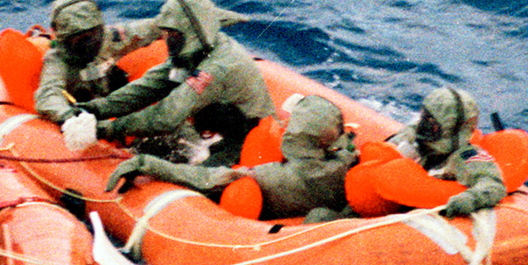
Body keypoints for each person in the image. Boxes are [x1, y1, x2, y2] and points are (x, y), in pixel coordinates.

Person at [108, 92, 357, 221]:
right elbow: (348, 149)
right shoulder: (344, 164)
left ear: (295, 135)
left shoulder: (272, 177)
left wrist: (145, 163)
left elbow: (207, 177)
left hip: (258, 219)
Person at [92, 0, 275, 163]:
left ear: (194, 32)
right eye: (167, 33)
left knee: (183, 174)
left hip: (244, 140)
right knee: (149, 146)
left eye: (175, 34)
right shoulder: (192, 52)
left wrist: (105, 129)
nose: (168, 40)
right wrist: (96, 109)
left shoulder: (217, 67)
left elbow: (167, 116)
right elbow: (149, 86)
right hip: (212, 130)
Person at [31, 0, 157, 134]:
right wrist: (68, 116)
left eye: (93, 35)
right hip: (86, 115)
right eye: (80, 39)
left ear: (100, 29)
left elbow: (152, 28)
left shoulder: (111, 38)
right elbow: (48, 94)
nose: (90, 44)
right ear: (65, 40)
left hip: (114, 105)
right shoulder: (57, 60)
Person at [393, 85, 507, 218]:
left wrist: (469, 199)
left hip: (426, 216)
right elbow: (385, 150)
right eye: (424, 117)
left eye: (431, 122)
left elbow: (493, 184)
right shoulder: (419, 136)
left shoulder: (465, 157)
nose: (423, 126)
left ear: (450, 129)